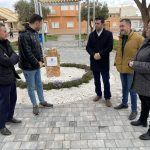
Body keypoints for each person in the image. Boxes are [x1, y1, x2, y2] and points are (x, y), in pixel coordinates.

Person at [18, 14, 53, 115]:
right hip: (28, 67)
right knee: (31, 87)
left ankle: (42, 102)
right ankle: (34, 105)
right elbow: (27, 53)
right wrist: (37, 63)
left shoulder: (35, 33)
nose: (41, 25)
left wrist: (41, 60)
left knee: (39, 84)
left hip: (37, 66)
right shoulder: (24, 35)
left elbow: (39, 48)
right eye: (41, 23)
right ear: (37, 23)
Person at [114, 19, 144, 120]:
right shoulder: (121, 38)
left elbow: (144, 54)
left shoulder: (138, 38)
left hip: (132, 70)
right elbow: (119, 52)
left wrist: (137, 64)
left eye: (122, 26)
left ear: (129, 26)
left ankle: (134, 110)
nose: (120, 28)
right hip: (122, 68)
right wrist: (116, 62)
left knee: (132, 90)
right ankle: (124, 103)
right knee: (124, 87)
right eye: (120, 26)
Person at [129, 19, 150, 140]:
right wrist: (133, 61)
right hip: (143, 82)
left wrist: (134, 64)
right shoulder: (146, 42)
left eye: (149, 27)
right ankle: (143, 120)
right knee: (144, 102)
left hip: (148, 83)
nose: (147, 29)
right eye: (147, 27)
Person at [86, 17, 113, 107]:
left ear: (102, 24)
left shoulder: (108, 34)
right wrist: (93, 54)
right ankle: (98, 94)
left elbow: (110, 47)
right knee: (96, 80)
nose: (96, 25)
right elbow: (88, 47)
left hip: (104, 62)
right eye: (95, 23)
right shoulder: (91, 35)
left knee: (106, 80)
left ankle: (107, 97)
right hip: (94, 62)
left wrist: (100, 54)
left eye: (98, 23)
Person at [0, 23, 21, 136]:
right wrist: (10, 58)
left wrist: (10, 58)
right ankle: (1, 126)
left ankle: (9, 117)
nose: (7, 33)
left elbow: (15, 56)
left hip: (11, 76)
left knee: (13, 98)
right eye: (4, 31)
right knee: (4, 102)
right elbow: (6, 61)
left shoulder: (6, 42)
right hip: (2, 79)